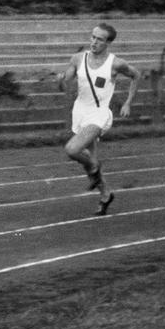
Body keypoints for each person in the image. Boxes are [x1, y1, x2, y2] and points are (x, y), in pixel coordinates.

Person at [59, 23, 141, 214]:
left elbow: (136, 75)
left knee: (72, 150)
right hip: (79, 112)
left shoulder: (116, 63)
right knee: (90, 163)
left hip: (99, 114)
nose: (94, 42)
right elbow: (67, 80)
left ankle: (95, 167)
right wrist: (61, 78)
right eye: (93, 37)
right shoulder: (78, 58)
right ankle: (106, 196)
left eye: (100, 39)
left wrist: (128, 102)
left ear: (108, 42)